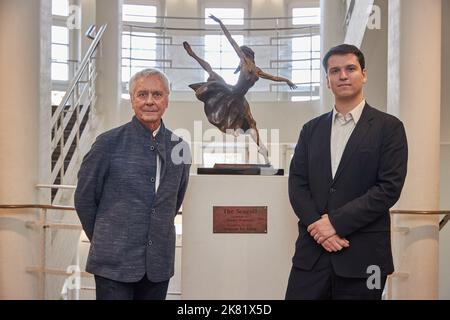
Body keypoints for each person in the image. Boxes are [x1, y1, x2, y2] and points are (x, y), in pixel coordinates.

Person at [286, 44, 408, 299]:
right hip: (312, 256)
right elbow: (297, 185)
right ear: (328, 81)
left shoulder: (389, 128)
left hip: (363, 257)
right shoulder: (310, 130)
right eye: (334, 71)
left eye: (350, 69)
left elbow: (388, 189)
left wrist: (335, 223)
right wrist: (320, 231)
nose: (342, 75)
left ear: (363, 74)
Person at [74, 68, 191, 300]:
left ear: (167, 100)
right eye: (142, 94)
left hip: (157, 265)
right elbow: (84, 199)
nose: (150, 101)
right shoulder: (107, 144)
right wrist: (106, 239)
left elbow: (175, 200)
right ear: (132, 100)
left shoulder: (180, 148)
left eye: (157, 95)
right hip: (113, 265)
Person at [183, 14, 297, 164]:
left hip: (239, 98)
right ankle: (193, 55)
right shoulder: (256, 70)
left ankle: (262, 150)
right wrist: (220, 22)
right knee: (212, 74)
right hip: (232, 92)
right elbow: (274, 77)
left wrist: (286, 80)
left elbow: (231, 40)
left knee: (252, 123)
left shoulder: (249, 64)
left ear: (245, 54)